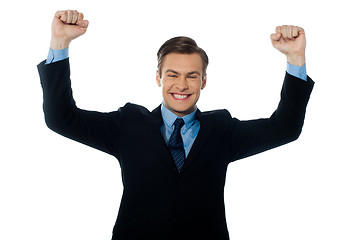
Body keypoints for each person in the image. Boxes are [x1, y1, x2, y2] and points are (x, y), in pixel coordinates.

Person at [37, 10, 314, 240]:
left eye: (192, 76)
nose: (182, 85)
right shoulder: (128, 124)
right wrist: (60, 43)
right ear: (158, 78)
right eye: (173, 75)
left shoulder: (221, 129)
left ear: (204, 81)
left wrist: (295, 59)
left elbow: (285, 128)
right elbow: (62, 118)